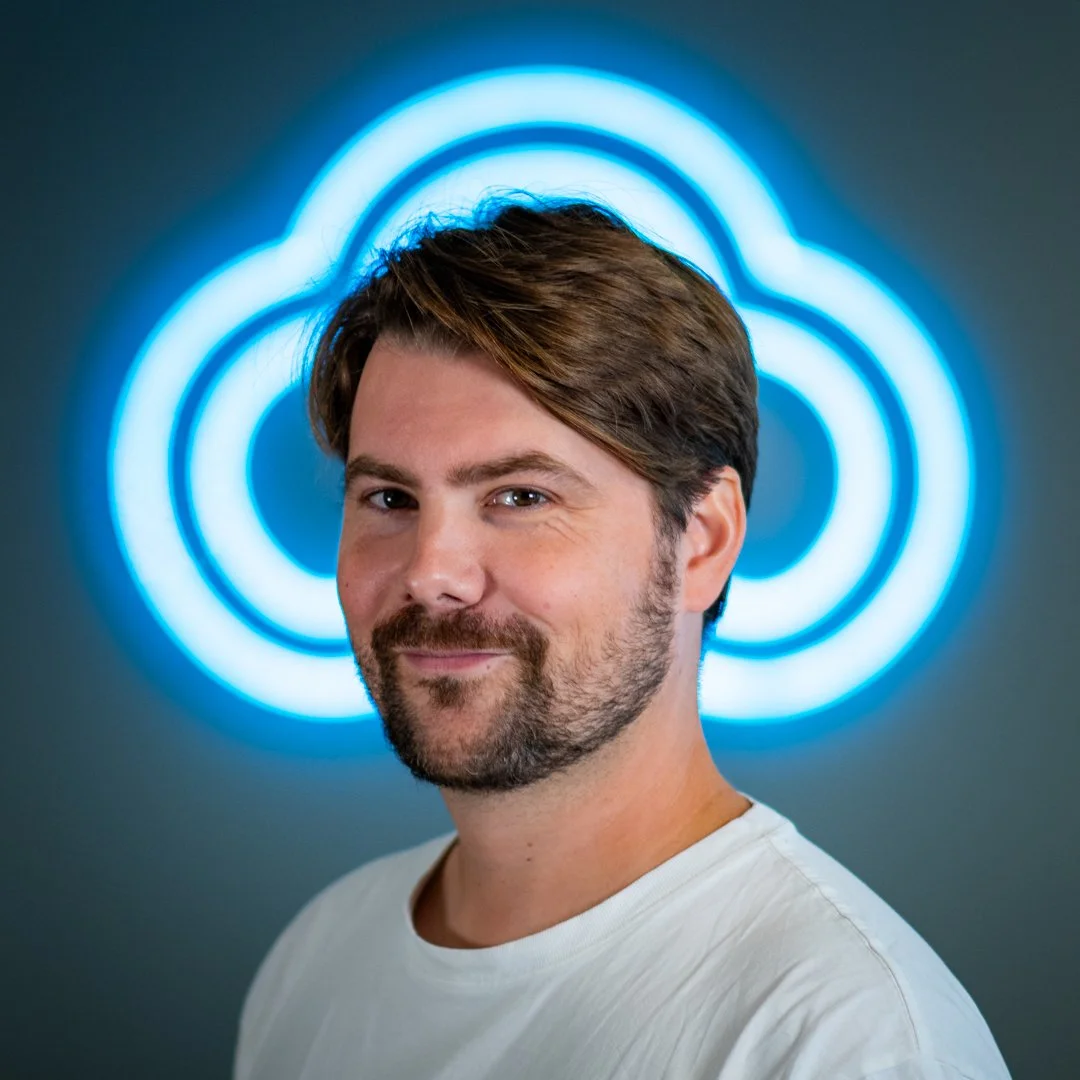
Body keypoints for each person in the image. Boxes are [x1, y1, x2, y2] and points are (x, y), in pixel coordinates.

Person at [233, 199, 1010, 1079]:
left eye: (521, 497)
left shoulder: (843, 1040)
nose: (431, 571)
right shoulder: (317, 960)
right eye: (390, 499)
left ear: (702, 541)